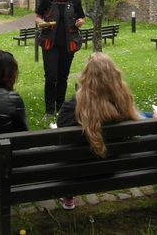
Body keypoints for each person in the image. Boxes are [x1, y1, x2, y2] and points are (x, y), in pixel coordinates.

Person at [56, 53, 139, 210]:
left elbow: (62, 130)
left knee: (64, 147)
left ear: (86, 75)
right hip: (113, 167)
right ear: (115, 74)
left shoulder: (73, 105)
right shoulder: (123, 100)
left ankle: (68, 195)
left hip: (77, 171)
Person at [35, 0, 85, 118]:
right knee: (51, 76)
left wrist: (80, 22)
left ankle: (61, 108)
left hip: (68, 43)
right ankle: (49, 110)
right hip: (50, 43)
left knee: (63, 76)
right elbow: (37, 16)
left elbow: (81, 17)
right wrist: (41, 23)